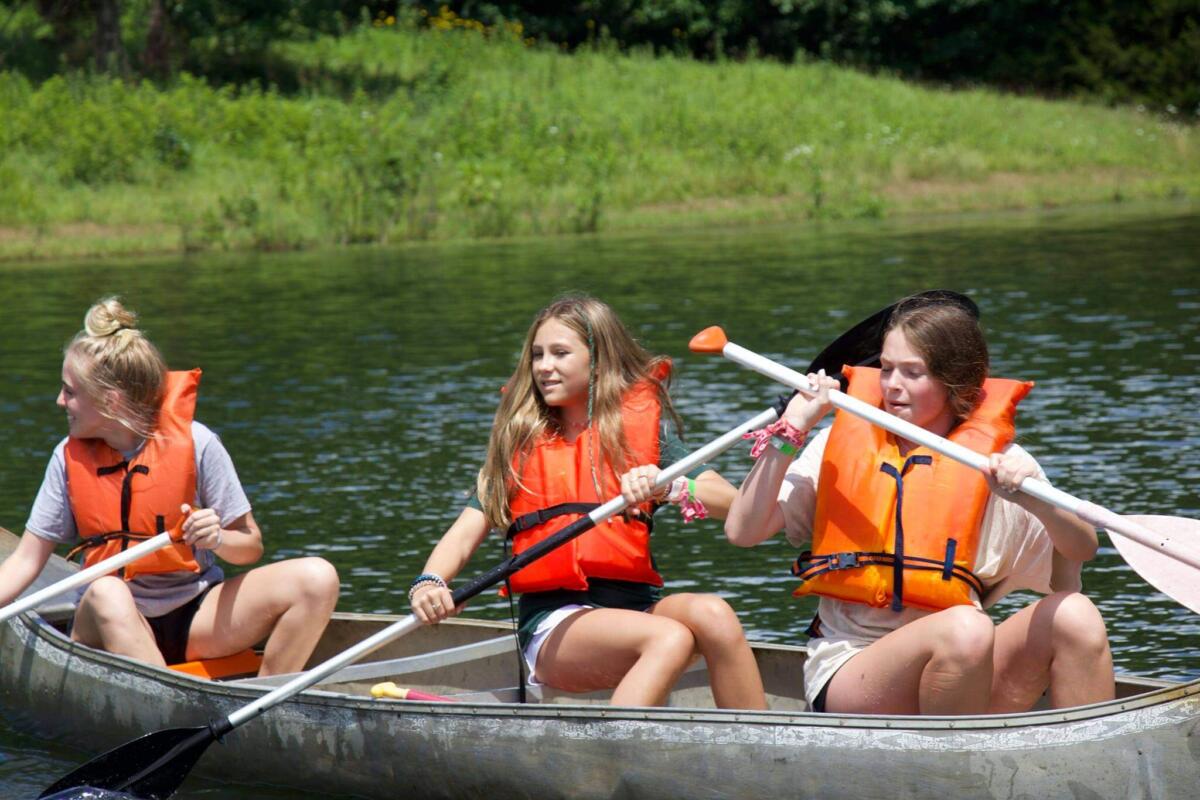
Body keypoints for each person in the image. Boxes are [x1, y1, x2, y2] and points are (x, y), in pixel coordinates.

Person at [725, 295, 1114, 715]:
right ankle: (951, 755)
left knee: (1075, 615)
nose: (892, 385)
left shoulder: (1000, 464)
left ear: (955, 382)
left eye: (913, 373)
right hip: (854, 670)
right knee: (966, 629)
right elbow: (742, 531)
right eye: (886, 368)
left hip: (961, 667)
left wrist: (1036, 503)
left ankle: (1091, 753)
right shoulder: (833, 447)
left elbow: (1081, 549)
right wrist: (792, 430)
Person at [409, 294, 767, 709]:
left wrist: (667, 486)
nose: (544, 366)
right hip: (555, 623)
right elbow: (463, 533)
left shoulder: (645, 436)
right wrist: (430, 582)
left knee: (714, 614)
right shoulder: (520, 442)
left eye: (560, 353)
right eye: (538, 354)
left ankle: (761, 743)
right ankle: (611, 747)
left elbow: (732, 502)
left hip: (635, 609)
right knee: (669, 637)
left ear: (598, 362)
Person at [0, 298, 339, 677]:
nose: (60, 401)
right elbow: (25, 561)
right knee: (108, 591)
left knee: (317, 578)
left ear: (109, 400)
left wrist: (217, 539)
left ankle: (267, 699)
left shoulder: (198, 443)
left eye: (70, 391)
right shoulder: (67, 458)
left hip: (194, 615)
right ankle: (168, 698)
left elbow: (250, 545)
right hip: (106, 622)